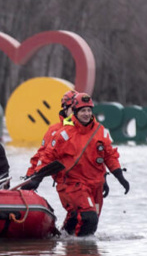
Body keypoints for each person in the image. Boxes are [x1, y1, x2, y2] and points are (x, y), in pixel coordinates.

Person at [22, 93, 130, 236]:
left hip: (95, 184)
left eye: (88, 110)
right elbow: (45, 156)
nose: (86, 114)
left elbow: (108, 156)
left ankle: (69, 245)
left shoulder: (100, 131)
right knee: (88, 218)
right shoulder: (62, 133)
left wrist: (118, 176)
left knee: (88, 221)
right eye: (82, 110)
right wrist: (34, 177)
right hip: (73, 184)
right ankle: (81, 252)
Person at [25, 89, 110, 197]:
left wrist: (103, 177)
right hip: (68, 182)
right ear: (65, 109)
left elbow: (98, 155)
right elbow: (42, 156)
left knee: (90, 212)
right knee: (83, 211)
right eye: (72, 108)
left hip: (90, 182)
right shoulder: (55, 131)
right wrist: (31, 177)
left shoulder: (92, 129)